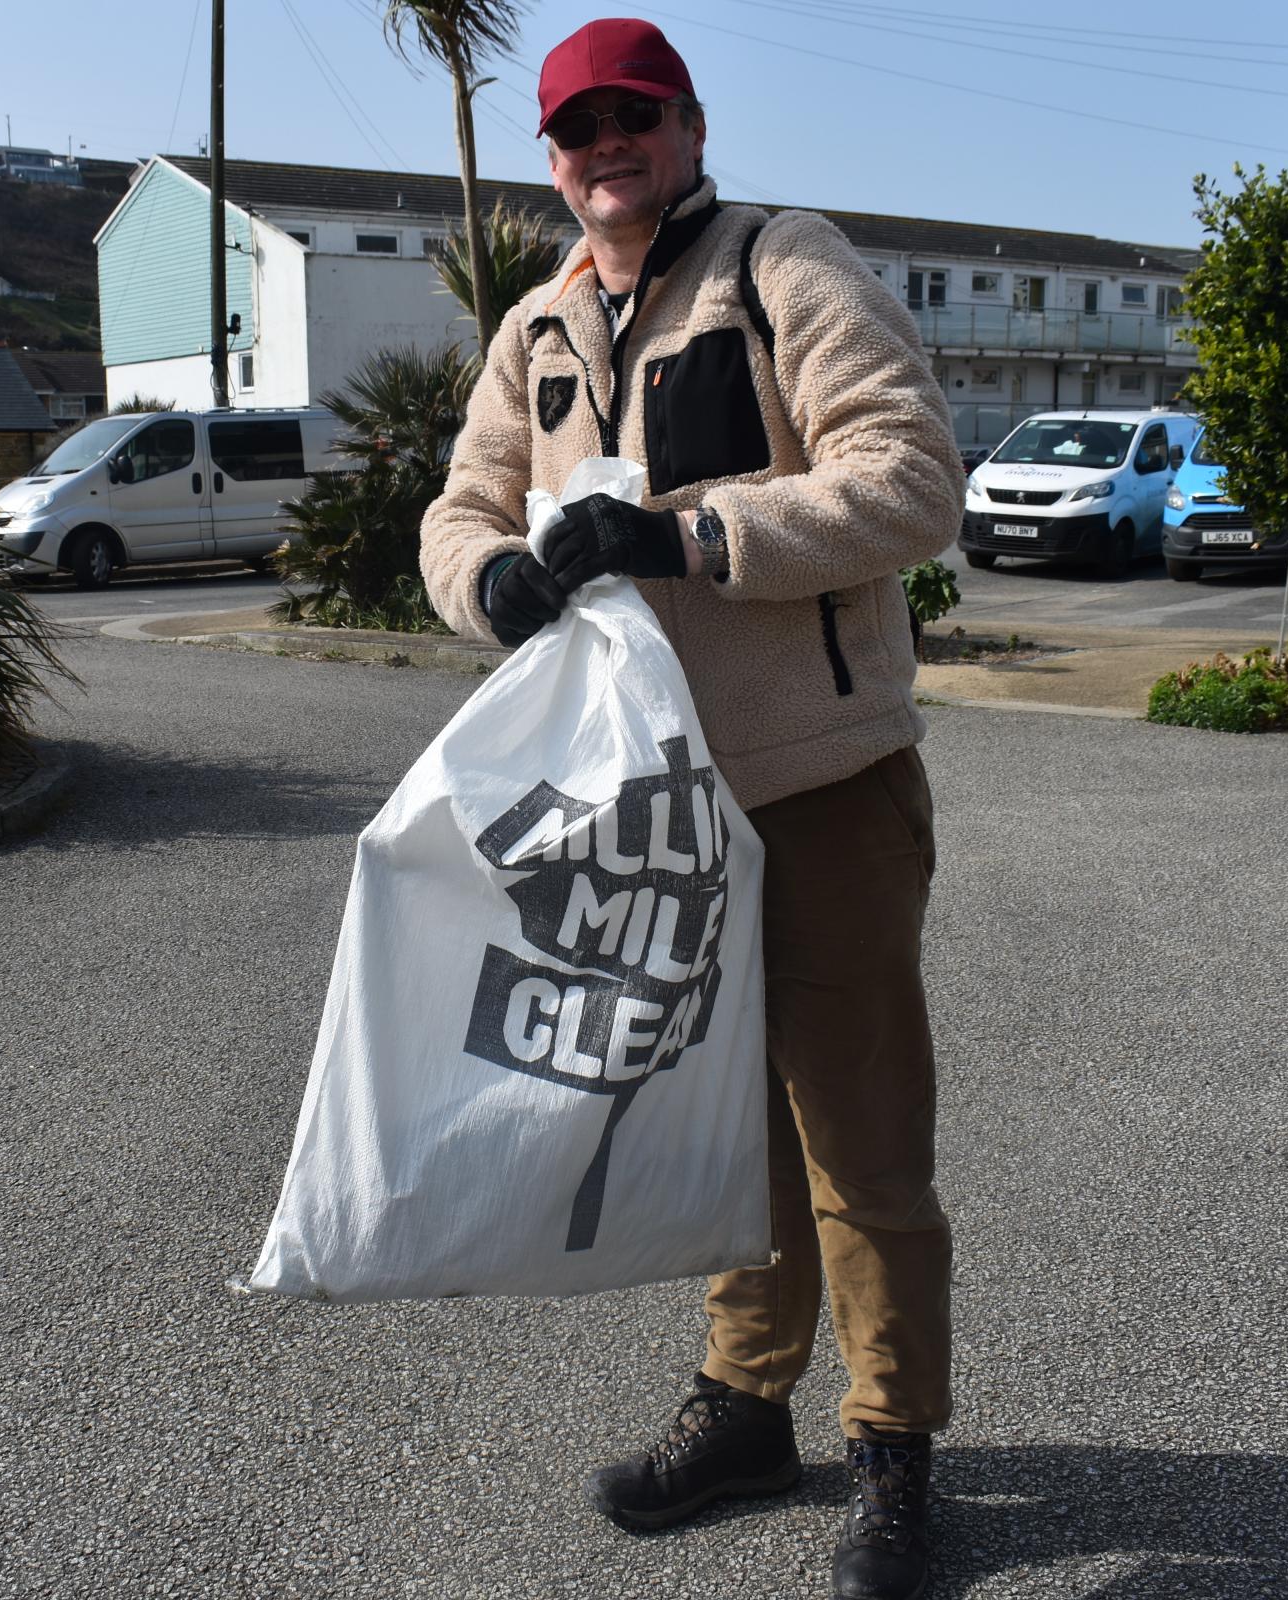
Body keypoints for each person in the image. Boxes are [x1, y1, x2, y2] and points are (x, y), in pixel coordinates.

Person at [417, 18, 965, 1600]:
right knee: (715, 1127)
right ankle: (747, 1405)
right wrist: (488, 582)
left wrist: (683, 535)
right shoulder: (537, 325)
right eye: (577, 129)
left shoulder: (778, 262)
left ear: (688, 125)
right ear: (552, 159)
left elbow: (910, 479)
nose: (608, 147)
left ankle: (893, 1447)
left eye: (634, 117)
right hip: (649, 809)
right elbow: (459, 505)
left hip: (822, 789)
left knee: (860, 1143)